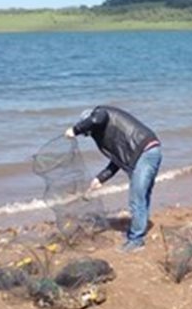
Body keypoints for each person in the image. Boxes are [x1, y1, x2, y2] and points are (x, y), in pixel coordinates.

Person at [65, 106, 162, 253]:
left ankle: (136, 240)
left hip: (145, 152)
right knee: (142, 196)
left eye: (88, 131)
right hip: (147, 151)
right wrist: (100, 179)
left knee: (136, 199)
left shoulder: (101, 113)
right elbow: (117, 160)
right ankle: (140, 228)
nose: (89, 134)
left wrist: (75, 130)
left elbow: (97, 119)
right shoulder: (107, 133)